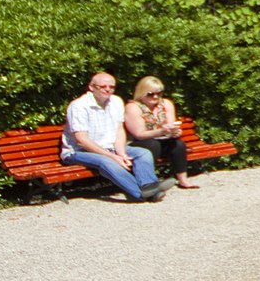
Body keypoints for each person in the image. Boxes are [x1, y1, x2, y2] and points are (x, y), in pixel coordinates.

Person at [62, 72, 168, 202]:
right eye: (103, 86)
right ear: (91, 87)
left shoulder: (116, 101)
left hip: (109, 148)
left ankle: (149, 185)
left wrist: (122, 154)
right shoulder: (79, 106)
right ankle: (142, 194)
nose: (108, 89)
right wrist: (113, 157)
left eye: (111, 87)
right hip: (78, 152)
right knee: (106, 161)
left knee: (142, 153)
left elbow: (119, 130)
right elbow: (82, 140)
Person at [125, 77, 197, 189]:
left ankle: (183, 179)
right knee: (153, 145)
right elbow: (138, 134)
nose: (155, 97)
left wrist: (174, 132)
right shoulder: (133, 107)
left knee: (178, 144)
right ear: (141, 92)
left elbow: (171, 124)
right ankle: (148, 181)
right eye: (150, 94)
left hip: (162, 140)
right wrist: (160, 131)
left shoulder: (165, 104)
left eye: (158, 93)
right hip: (139, 143)